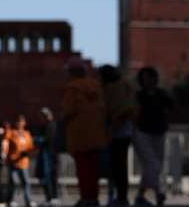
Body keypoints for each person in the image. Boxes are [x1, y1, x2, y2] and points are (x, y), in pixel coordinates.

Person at [60, 56, 106, 207]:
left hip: (79, 136)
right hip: (97, 135)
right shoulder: (96, 86)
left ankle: (86, 198)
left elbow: (68, 111)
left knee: (83, 170)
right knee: (94, 170)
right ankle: (93, 198)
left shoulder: (72, 88)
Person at [134, 67, 172, 207]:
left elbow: (173, 108)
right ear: (141, 80)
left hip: (159, 132)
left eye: (151, 77)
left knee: (153, 166)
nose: (149, 80)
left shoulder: (162, 94)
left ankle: (140, 195)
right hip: (142, 132)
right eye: (146, 78)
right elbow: (134, 113)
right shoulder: (138, 96)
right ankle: (159, 192)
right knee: (153, 164)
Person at [99, 65, 134, 207]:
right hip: (120, 132)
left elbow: (120, 111)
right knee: (118, 167)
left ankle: (120, 197)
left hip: (118, 133)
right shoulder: (123, 85)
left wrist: (111, 130)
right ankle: (119, 196)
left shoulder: (115, 88)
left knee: (117, 167)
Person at [3, 116, 35, 207]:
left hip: (23, 162)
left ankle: (28, 201)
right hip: (13, 161)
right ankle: (11, 200)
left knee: (26, 182)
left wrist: (29, 153)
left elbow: (31, 147)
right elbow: (5, 141)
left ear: (24, 123)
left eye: (21, 122)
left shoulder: (27, 134)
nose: (20, 123)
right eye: (18, 121)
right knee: (13, 182)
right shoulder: (11, 132)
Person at [35, 108, 58, 206]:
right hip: (49, 154)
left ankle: (51, 197)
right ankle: (51, 197)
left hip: (48, 155)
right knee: (49, 177)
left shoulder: (51, 125)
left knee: (48, 177)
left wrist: (36, 140)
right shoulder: (48, 125)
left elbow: (47, 140)